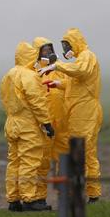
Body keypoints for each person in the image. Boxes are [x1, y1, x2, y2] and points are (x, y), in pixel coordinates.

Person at [38, 28, 103, 203]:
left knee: (82, 152)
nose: (65, 50)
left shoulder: (87, 56)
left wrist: (57, 66)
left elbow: (80, 71)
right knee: (84, 152)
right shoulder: (81, 58)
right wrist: (58, 84)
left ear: (75, 43)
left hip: (85, 112)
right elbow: (77, 84)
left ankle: (84, 194)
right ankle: (91, 194)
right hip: (79, 112)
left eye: (66, 45)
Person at [0, 41, 55, 212]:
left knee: (14, 162)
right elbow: (37, 102)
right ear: (31, 55)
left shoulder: (9, 74)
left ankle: (13, 200)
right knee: (29, 162)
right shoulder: (29, 76)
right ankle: (30, 200)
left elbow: (5, 98)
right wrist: (46, 123)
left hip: (11, 123)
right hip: (27, 124)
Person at [31, 37, 68, 208]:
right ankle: (39, 198)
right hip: (44, 122)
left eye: (49, 49)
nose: (48, 53)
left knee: (64, 159)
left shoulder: (59, 66)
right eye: (44, 50)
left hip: (62, 120)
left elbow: (71, 84)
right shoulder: (33, 69)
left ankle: (65, 196)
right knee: (43, 160)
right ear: (37, 52)